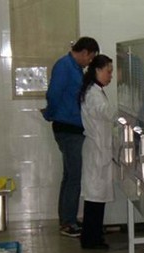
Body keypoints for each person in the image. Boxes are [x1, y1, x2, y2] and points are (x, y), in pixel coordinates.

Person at [43, 37, 100, 237]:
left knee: (70, 175)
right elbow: (53, 94)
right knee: (74, 176)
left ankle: (68, 218)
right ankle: (68, 223)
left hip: (73, 127)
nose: (89, 62)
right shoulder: (64, 66)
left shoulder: (75, 68)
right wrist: (50, 114)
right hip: (68, 128)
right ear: (84, 52)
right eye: (90, 58)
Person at [79, 54, 117, 249]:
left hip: (98, 148)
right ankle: (91, 239)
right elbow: (106, 112)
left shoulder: (95, 90)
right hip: (96, 149)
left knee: (96, 195)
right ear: (98, 70)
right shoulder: (93, 94)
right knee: (94, 197)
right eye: (108, 72)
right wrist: (125, 113)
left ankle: (93, 235)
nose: (111, 76)